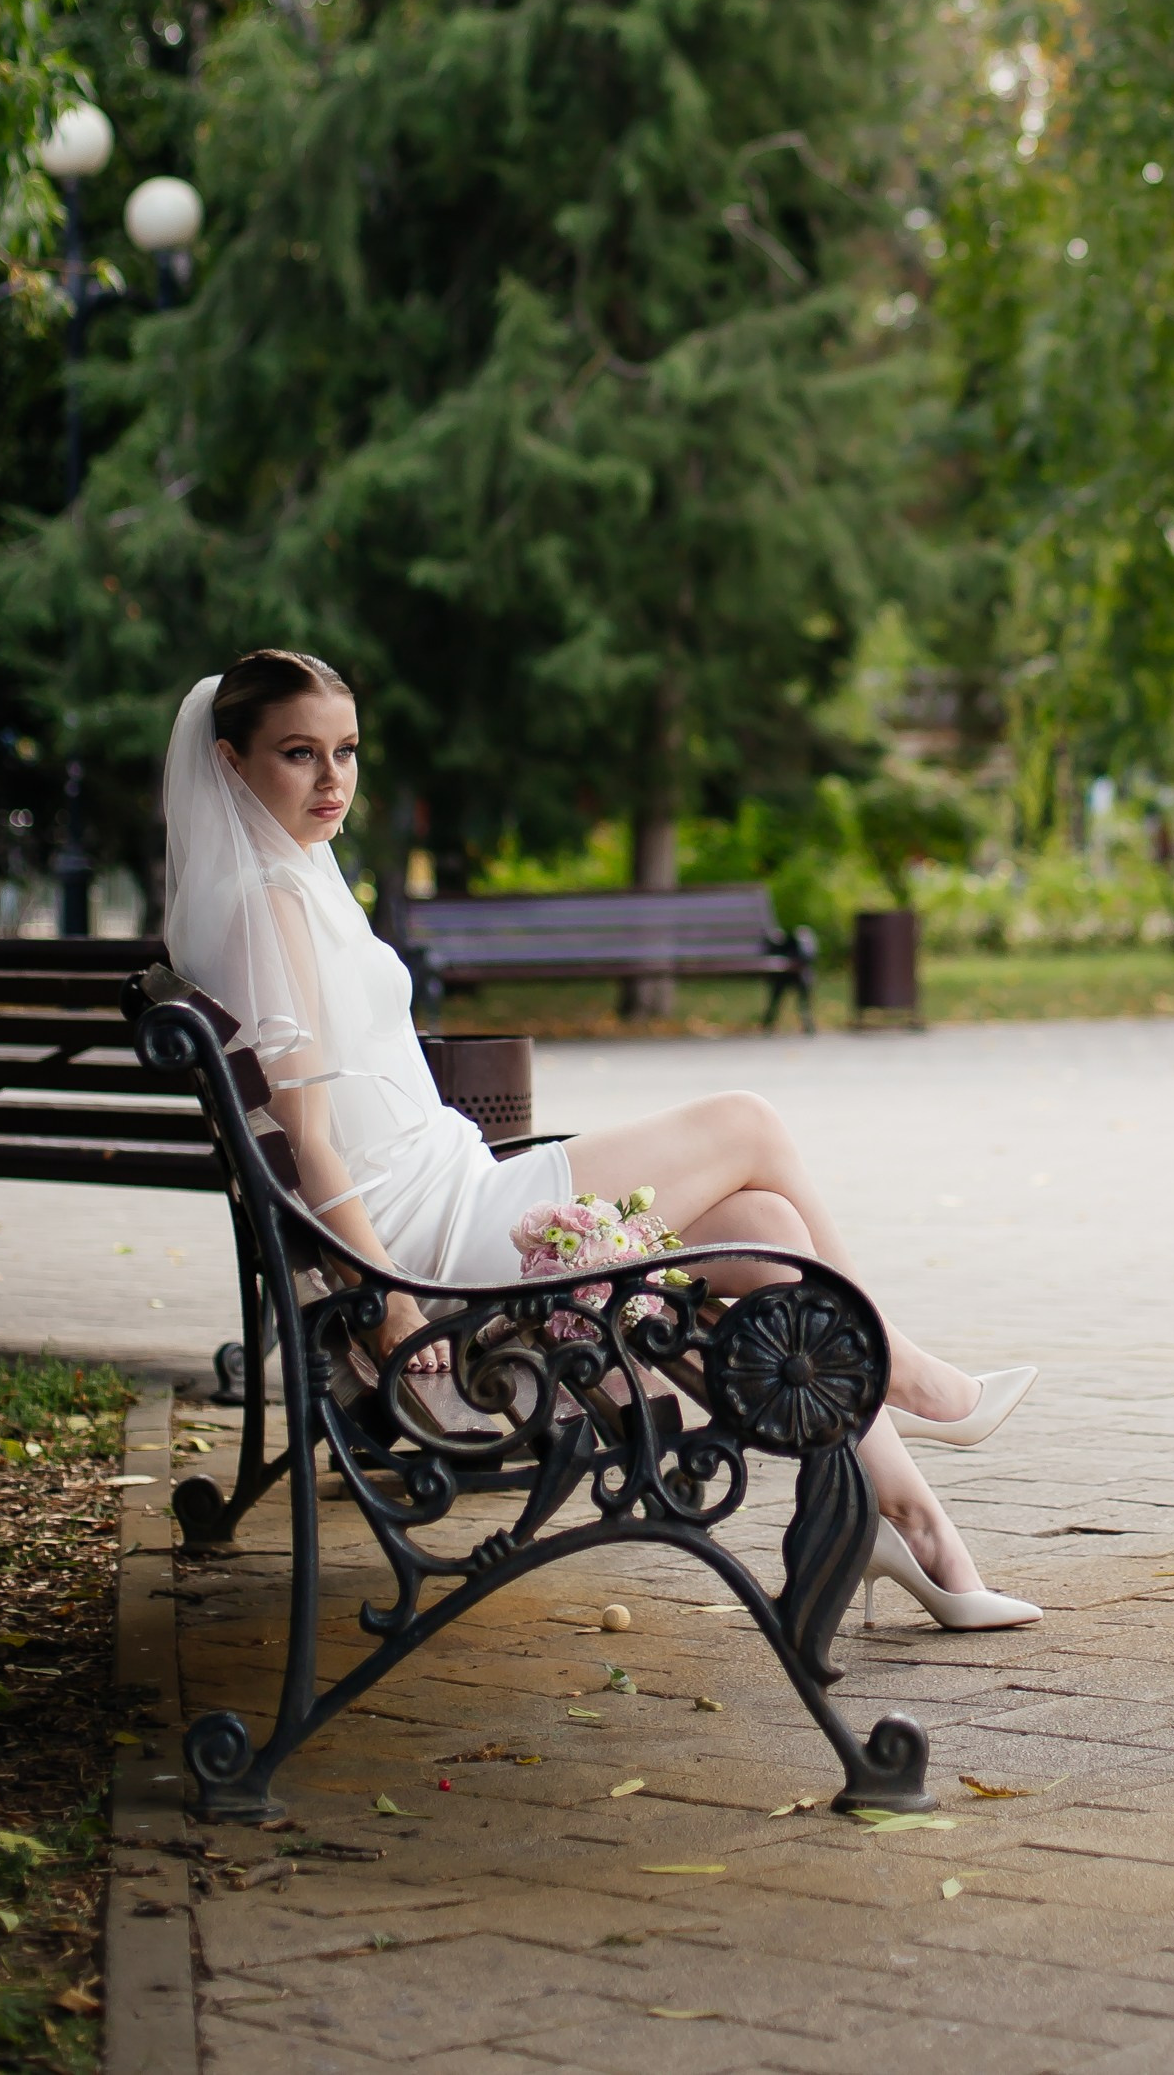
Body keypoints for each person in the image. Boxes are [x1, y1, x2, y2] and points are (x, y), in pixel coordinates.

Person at [161, 648, 1039, 1631]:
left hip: (454, 1195)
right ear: (233, 764)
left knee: (761, 1222)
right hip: (442, 1247)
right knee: (748, 1122)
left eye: (347, 752)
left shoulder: (295, 877)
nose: (333, 782)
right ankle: (906, 1370)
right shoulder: (269, 902)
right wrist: (394, 1307)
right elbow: (314, 1141)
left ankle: (911, 1523)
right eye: (299, 755)